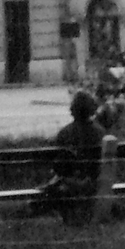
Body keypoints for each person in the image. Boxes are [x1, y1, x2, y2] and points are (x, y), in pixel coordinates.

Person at [36, 90, 107, 224]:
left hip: (72, 181)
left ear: (72, 110)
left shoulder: (65, 133)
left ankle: (62, 215)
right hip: (94, 179)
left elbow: (59, 164)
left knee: (57, 185)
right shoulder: (100, 132)